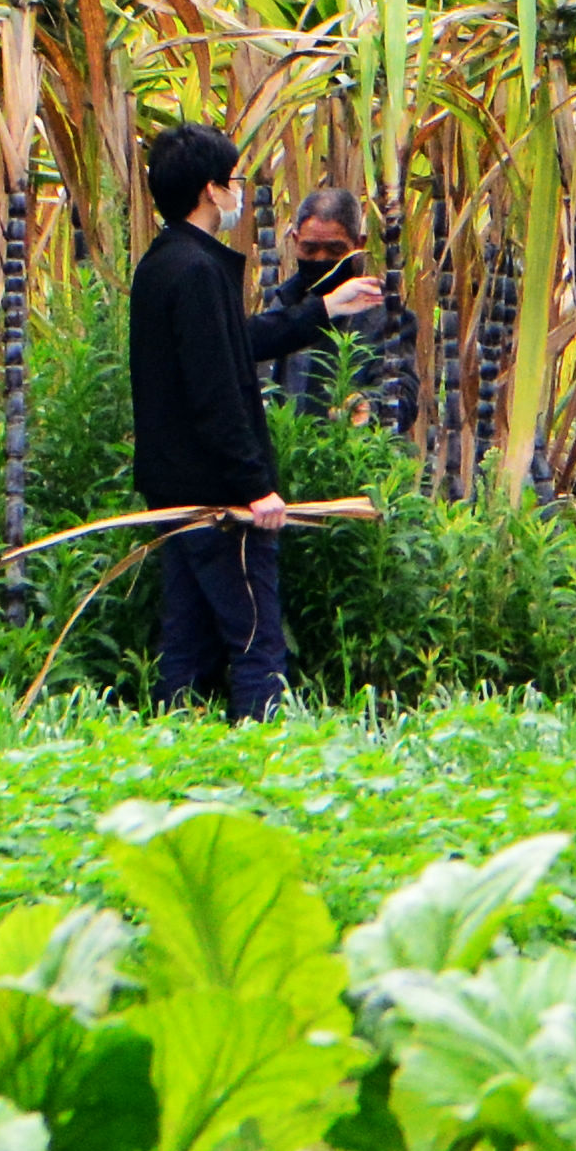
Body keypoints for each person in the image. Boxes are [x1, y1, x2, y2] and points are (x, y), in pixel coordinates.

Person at [130, 121, 382, 719]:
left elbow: (230, 343)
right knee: (256, 645)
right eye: (231, 180)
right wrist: (255, 489)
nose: (237, 192)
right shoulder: (197, 271)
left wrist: (322, 308)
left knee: (185, 644)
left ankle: (166, 751)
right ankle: (263, 755)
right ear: (211, 191)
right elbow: (215, 391)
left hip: (175, 490)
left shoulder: (165, 262)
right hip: (220, 501)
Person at [265, 187, 404, 420]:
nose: (321, 259)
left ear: (358, 244)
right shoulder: (281, 306)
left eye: (334, 250)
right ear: (295, 241)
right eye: (310, 249)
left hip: (352, 451)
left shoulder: (384, 312)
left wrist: (368, 406)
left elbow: (402, 391)